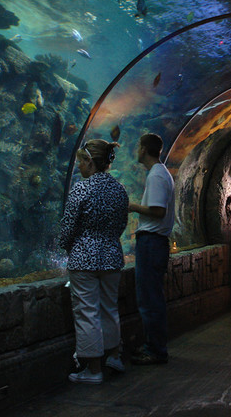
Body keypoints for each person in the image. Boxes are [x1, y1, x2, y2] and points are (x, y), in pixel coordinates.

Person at [57, 139, 129, 384]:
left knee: (87, 312)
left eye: (80, 161)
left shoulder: (81, 188)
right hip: (111, 256)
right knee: (109, 308)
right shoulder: (119, 189)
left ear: (90, 161)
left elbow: (68, 226)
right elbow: (121, 224)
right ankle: (114, 356)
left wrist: (66, 246)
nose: (78, 166)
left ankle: (93, 369)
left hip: (84, 258)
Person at [128, 133, 175, 365]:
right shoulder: (160, 173)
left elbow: (158, 211)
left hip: (152, 243)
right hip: (154, 243)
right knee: (152, 297)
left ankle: (155, 350)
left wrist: (132, 206)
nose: (136, 150)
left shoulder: (156, 175)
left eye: (138, 146)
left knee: (149, 299)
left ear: (144, 149)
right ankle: (154, 346)